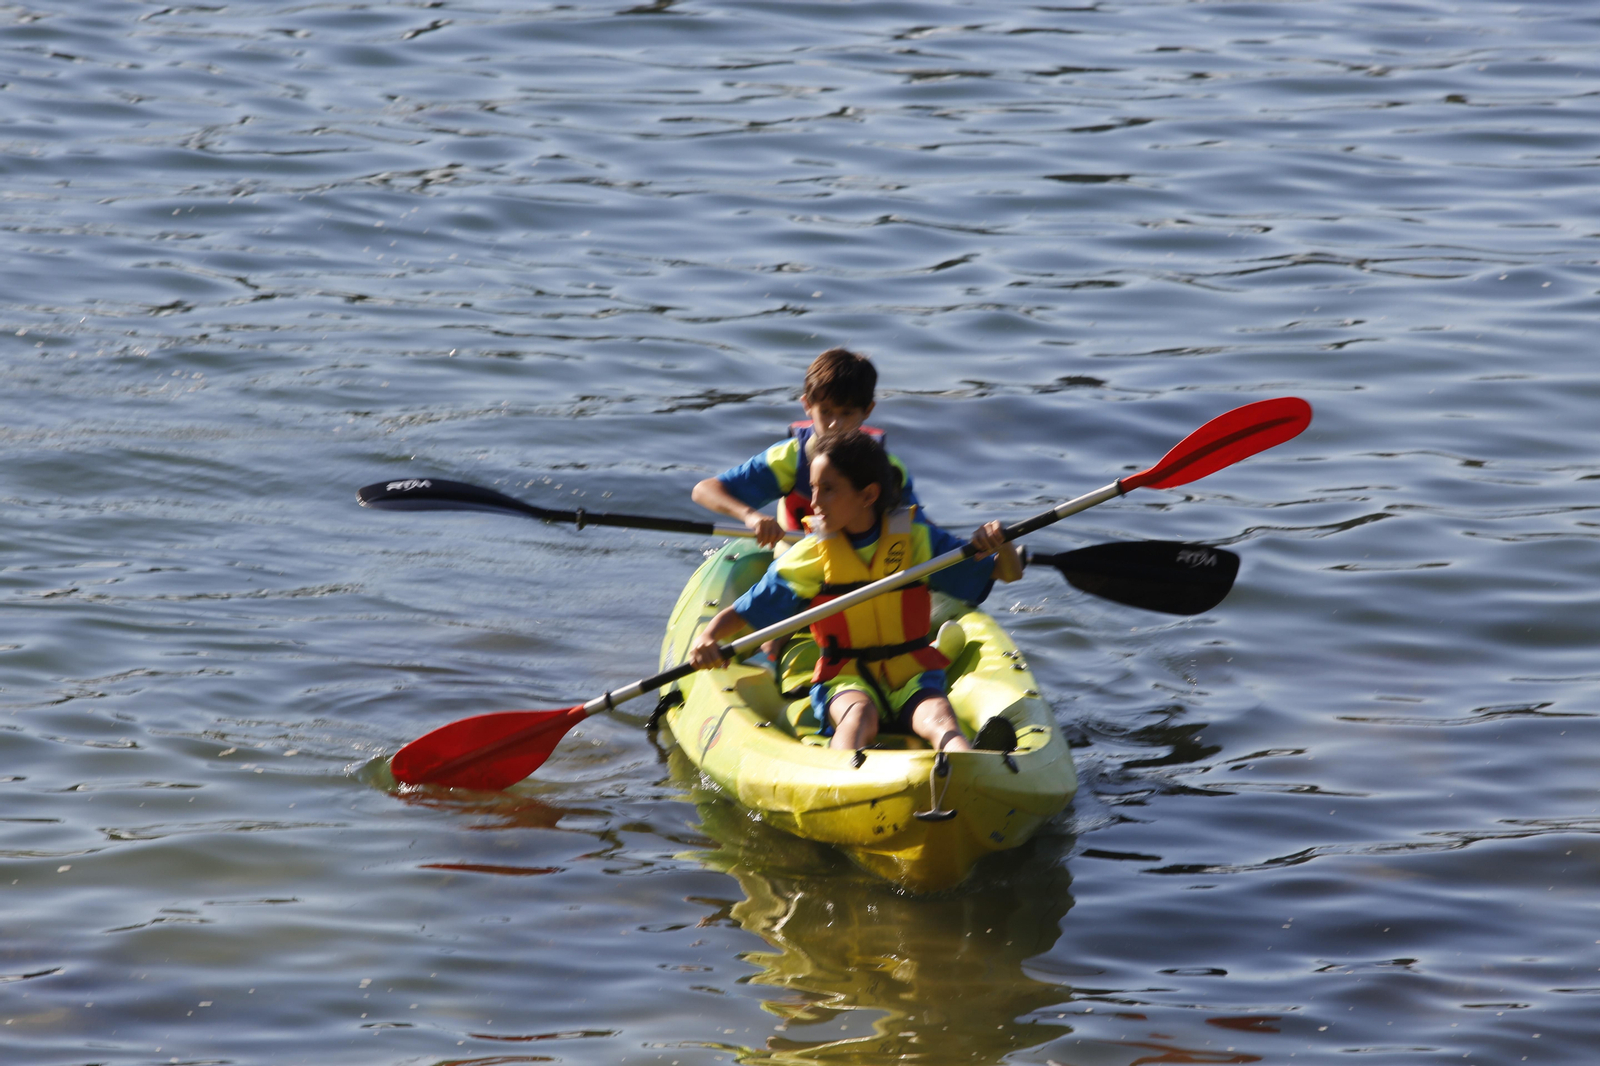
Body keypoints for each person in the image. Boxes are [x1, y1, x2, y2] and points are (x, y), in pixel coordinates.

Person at [689, 430, 1021, 753]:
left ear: (868, 495)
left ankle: (966, 767)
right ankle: (845, 772)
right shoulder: (811, 554)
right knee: (859, 716)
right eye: (814, 488)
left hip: (912, 672)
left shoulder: (917, 540)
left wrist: (1001, 543)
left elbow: (1007, 573)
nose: (814, 502)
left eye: (828, 490)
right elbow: (749, 609)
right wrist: (709, 637)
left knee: (940, 718)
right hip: (845, 679)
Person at [691, 347, 920, 549]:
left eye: (847, 413)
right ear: (808, 405)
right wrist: (751, 517)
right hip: (797, 570)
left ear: (867, 410)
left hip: (872, 575)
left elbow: (918, 526)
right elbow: (704, 490)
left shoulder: (888, 467)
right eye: (826, 411)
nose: (835, 424)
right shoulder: (790, 457)